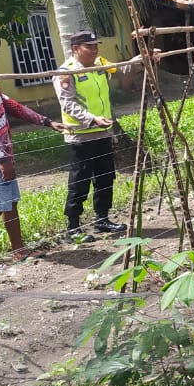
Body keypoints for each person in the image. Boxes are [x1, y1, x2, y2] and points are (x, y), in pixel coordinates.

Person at [0, 40, 66, 261]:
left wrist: (46, 121)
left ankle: (19, 250)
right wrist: (2, 159)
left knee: (9, 202)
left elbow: (11, 106)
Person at [54, 30, 133, 240]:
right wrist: (91, 118)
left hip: (103, 133)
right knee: (80, 181)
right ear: (75, 49)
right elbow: (67, 103)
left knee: (106, 176)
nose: (94, 50)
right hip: (81, 135)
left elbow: (124, 68)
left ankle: (102, 220)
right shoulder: (66, 72)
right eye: (89, 47)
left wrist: (144, 58)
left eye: (96, 45)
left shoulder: (100, 63)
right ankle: (73, 227)